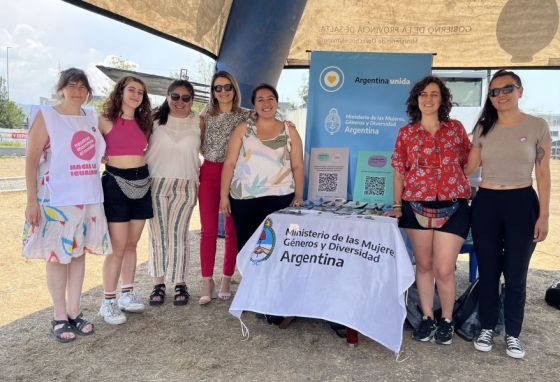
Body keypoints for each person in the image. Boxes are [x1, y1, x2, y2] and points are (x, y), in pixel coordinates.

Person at [466, 70, 551, 359]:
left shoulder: (537, 125)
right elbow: (468, 168)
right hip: (487, 202)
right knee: (489, 272)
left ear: (520, 91)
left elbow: (543, 173)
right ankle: (487, 326)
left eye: (507, 89)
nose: (500, 95)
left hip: (522, 203)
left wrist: (544, 216)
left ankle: (513, 334)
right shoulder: (483, 128)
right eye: (494, 91)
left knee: (516, 275)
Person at [22, 68, 111, 342]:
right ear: (61, 88)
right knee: (57, 256)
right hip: (55, 198)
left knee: (78, 254)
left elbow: (116, 137)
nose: (77, 91)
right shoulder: (47, 116)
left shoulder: (92, 117)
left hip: (86, 196)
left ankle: (74, 310)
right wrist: (31, 200)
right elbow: (32, 158)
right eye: (72, 86)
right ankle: (59, 315)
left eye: (83, 87)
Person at [386, 75, 471, 345]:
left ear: (442, 99)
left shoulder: (455, 129)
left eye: (434, 94)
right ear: (416, 100)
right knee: (423, 266)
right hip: (415, 207)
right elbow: (399, 172)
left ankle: (446, 318)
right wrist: (398, 205)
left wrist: (455, 180)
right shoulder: (406, 133)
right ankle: (426, 317)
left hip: (454, 207)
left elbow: (469, 161)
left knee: (444, 268)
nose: (428, 99)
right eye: (423, 94)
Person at [220, 83, 304, 328]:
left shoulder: (289, 130)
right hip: (244, 198)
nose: (266, 104)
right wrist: (224, 196)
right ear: (254, 104)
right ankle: (255, 298)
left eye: (271, 99)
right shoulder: (243, 129)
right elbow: (229, 163)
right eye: (260, 100)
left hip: (279, 198)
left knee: (275, 251)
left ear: (277, 102)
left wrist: (298, 194)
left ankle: (274, 303)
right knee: (249, 252)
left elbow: (298, 165)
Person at [98, 76, 153, 324]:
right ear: (120, 92)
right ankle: (108, 301)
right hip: (115, 184)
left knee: (132, 243)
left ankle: (127, 294)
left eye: (140, 92)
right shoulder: (104, 120)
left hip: (142, 182)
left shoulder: (145, 123)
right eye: (131, 90)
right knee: (117, 246)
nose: (136, 95)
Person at [198, 71, 251, 304]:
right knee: (208, 229)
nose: (222, 92)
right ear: (212, 92)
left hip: (237, 175)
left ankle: (227, 277)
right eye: (217, 88)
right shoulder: (206, 114)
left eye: (227, 86)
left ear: (234, 89)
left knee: (232, 230)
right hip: (209, 172)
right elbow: (197, 143)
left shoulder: (246, 116)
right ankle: (207, 280)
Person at [145, 80, 200, 306]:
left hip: (186, 184)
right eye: (175, 96)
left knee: (179, 234)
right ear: (167, 97)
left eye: (186, 98)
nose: (180, 101)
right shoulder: (152, 120)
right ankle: (158, 284)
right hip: (155, 182)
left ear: (192, 100)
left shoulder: (199, 122)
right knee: (158, 234)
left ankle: (180, 283)